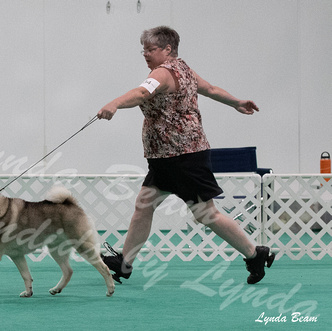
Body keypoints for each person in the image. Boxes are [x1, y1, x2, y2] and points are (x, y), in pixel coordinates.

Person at [97, 26, 274, 285]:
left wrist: (114, 104)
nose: (145, 54)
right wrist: (236, 102)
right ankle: (125, 263)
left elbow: (141, 93)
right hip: (165, 158)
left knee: (206, 214)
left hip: (184, 157)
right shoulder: (185, 70)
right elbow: (211, 89)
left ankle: (254, 254)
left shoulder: (163, 73)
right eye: (143, 49)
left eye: (150, 49)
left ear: (167, 49)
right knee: (144, 206)